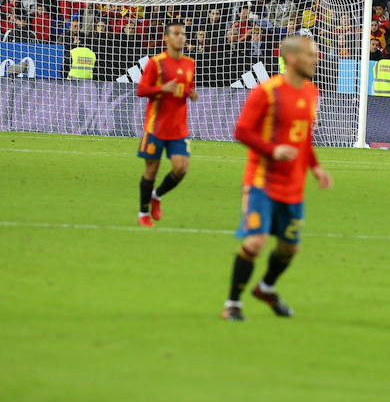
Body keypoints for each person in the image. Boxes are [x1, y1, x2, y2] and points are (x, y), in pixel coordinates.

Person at [223, 36, 333, 321]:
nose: (316, 59)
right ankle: (232, 304)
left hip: (293, 185)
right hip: (262, 181)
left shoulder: (311, 92)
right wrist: (273, 150)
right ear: (293, 58)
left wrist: (316, 168)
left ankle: (266, 288)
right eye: (311, 55)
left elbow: (304, 138)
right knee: (255, 243)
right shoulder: (267, 92)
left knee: (289, 248)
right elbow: (242, 131)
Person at [135, 21, 197, 228]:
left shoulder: (190, 63)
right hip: (156, 127)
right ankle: (143, 213)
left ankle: (157, 196)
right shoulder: (156, 63)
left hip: (179, 128)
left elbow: (188, 87)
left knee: (181, 168)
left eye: (183, 34)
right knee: (151, 171)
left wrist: (191, 93)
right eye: (176, 33)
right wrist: (163, 88)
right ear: (166, 38)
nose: (181, 37)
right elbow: (142, 90)